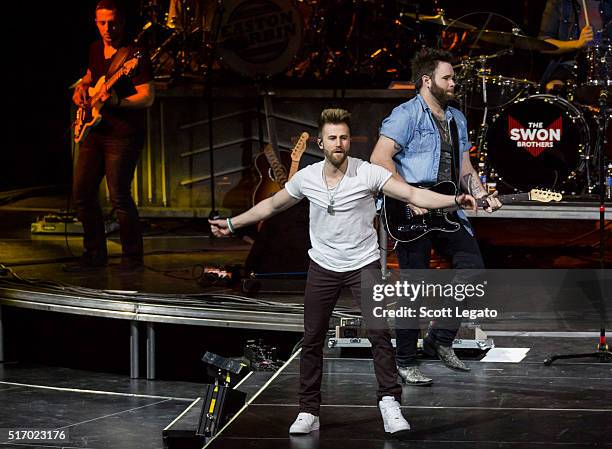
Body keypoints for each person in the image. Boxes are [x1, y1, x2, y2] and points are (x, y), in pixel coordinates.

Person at [210, 108, 477, 435]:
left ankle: (390, 404)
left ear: (350, 141)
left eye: (344, 138)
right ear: (321, 143)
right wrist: (232, 223)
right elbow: (273, 205)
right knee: (312, 339)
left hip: (363, 263)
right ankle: (309, 411)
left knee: (379, 335)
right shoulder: (307, 177)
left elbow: (412, 194)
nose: (339, 143)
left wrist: (456, 199)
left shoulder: (367, 174)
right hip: (323, 265)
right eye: (333, 138)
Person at [370, 48, 501, 386]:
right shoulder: (406, 115)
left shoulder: (456, 118)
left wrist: (482, 193)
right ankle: (405, 360)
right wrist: (407, 195)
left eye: (454, 77)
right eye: (448, 77)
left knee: (473, 270)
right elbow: (379, 158)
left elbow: (465, 168)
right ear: (427, 81)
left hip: (447, 204)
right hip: (411, 207)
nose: (454, 83)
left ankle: (439, 339)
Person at [65, 0, 155, 273]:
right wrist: (81, 88)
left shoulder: (134, 55)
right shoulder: (95, 49)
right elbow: (92, 76)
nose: (108, 28)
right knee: (82, 193)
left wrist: (118, 102)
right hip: (94, 131)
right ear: (95, 22)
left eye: (112, 22)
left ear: (122, 23)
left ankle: (132, 259)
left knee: (119, 197)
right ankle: (94, 254)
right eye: (102, 23)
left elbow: (148, 97)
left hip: (123, 135)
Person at [538, 0, 611, 92]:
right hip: (570, 65)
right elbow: (543, 44)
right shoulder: (559, 3)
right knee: (553, 88)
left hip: (606, 66)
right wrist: (577, 44)